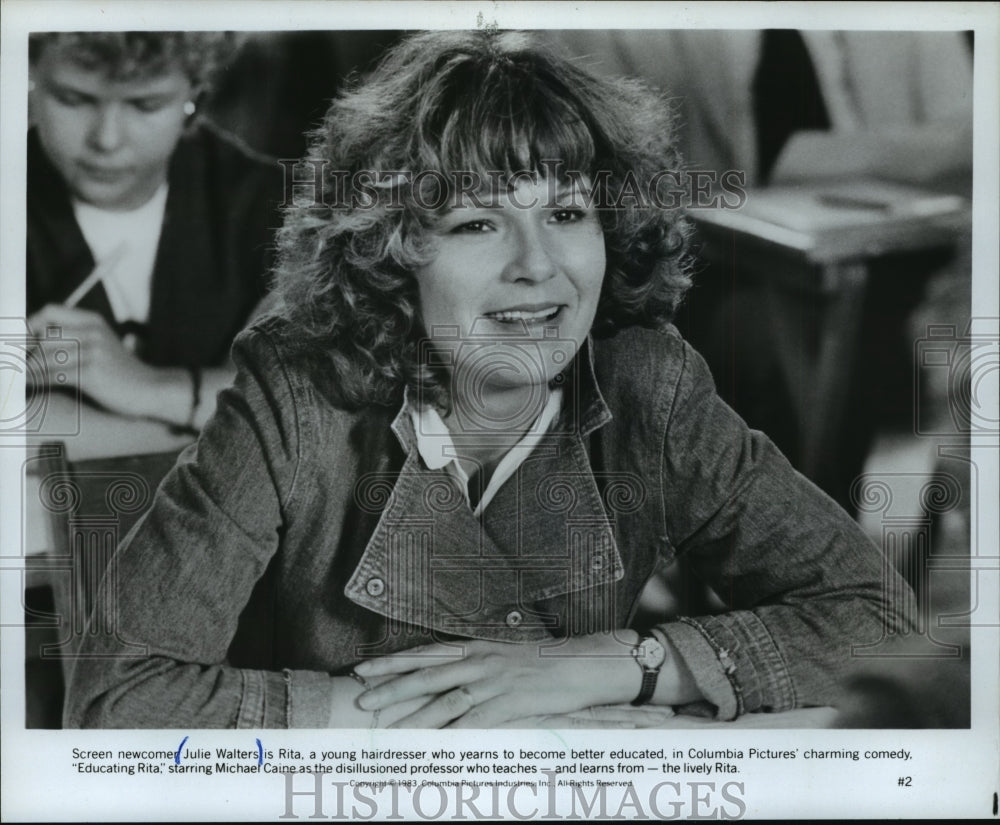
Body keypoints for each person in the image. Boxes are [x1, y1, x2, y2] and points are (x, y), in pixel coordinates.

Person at [64, 30, 915, 729]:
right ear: (393, 252)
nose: (538, 265)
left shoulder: (649, 381)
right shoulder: (296, 391)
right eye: (477, 222)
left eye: (568, 213)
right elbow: (119, 698)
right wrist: (407, 706)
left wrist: (613, 663)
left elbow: (882, 622)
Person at [27, 32, 283, 434]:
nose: (106, 140)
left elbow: (299, 414)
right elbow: (260, 417)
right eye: (73, 99)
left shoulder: (279, 210)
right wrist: (207, 405)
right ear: (30, 78)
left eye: (145, 105)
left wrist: (145, 388)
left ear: (195, 97)